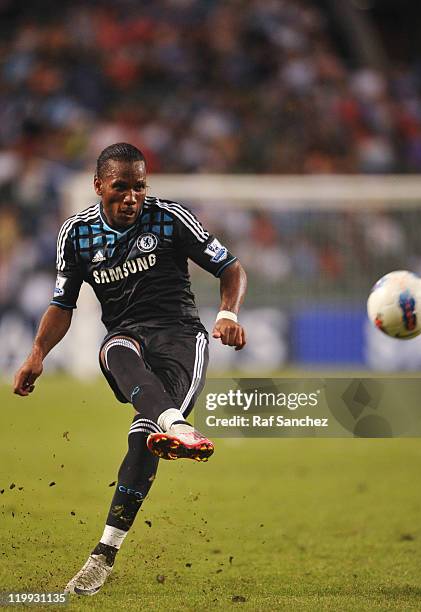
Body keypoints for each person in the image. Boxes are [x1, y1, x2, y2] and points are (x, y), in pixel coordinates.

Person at [13, 143, 247, 596]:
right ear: (99, 185)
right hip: (130, 337)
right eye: (121, 187)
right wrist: (37, 353)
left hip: (182, 339)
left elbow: (231, 267)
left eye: (140, 186)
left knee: (143, 441)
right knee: (114, 347)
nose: (132, 197)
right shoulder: (76, 235)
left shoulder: (171, 218)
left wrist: (228, 314)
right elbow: (62, 304)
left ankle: (102, 556)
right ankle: (178, 426)